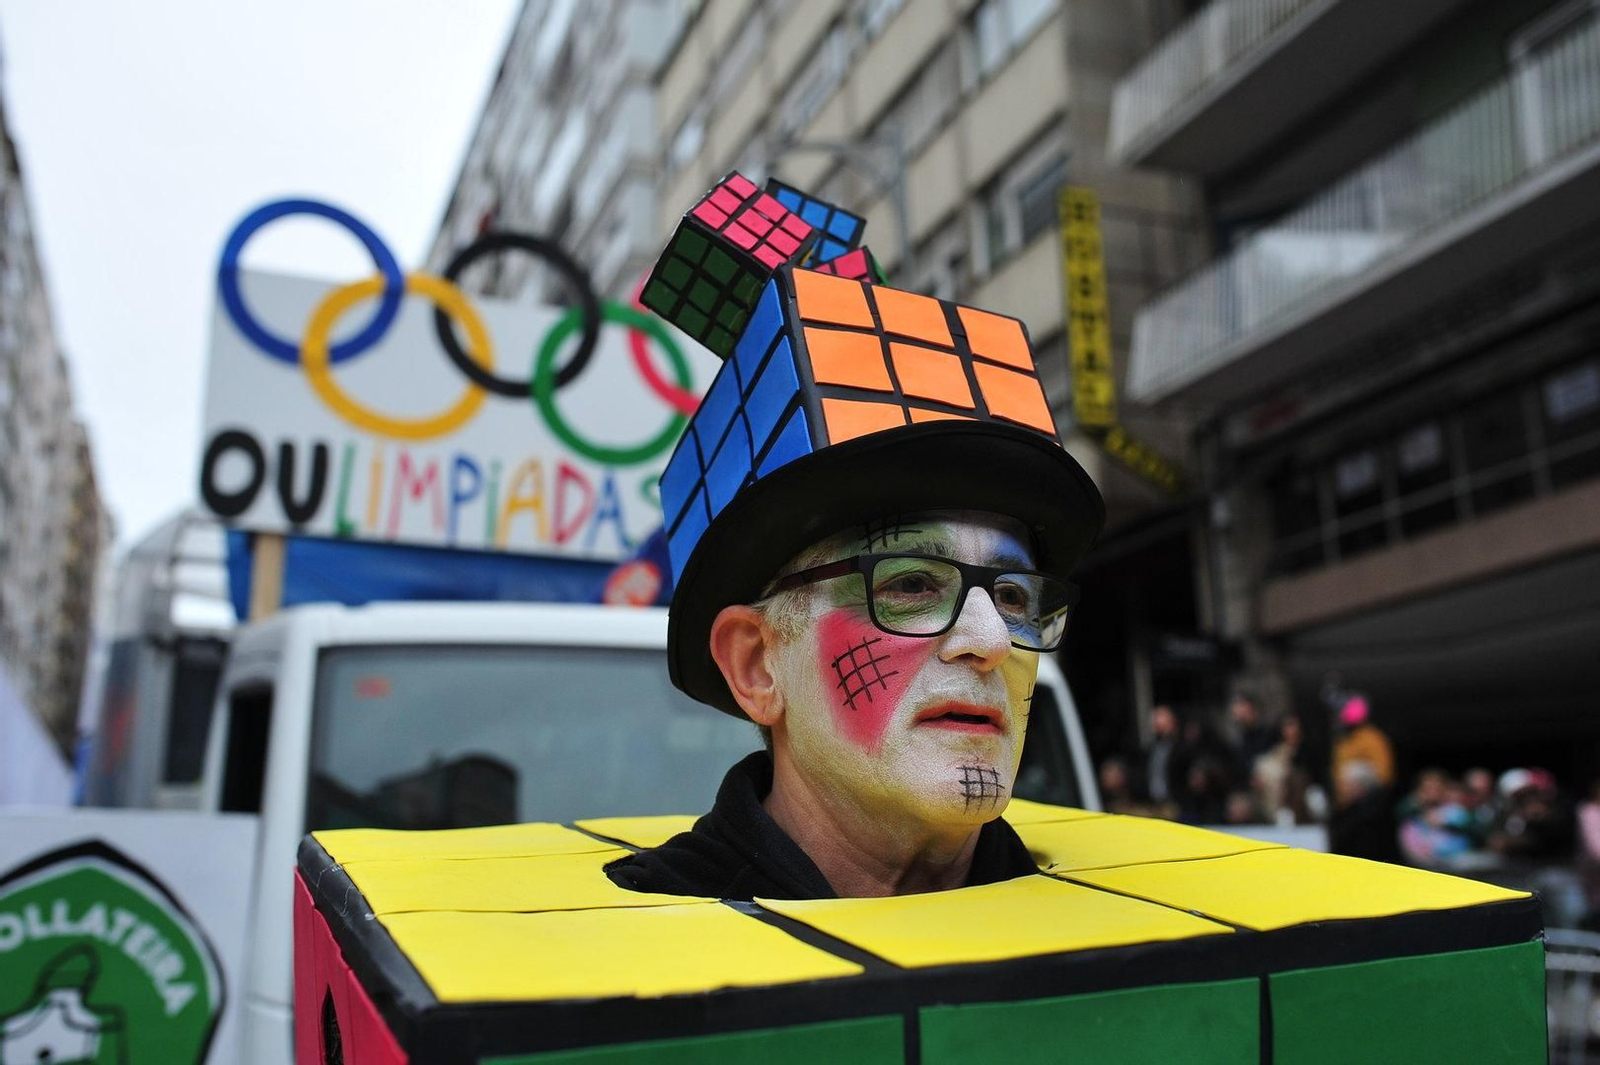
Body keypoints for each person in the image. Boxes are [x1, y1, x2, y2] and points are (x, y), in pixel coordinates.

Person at [608, 192, 1105, 901]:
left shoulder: (1109, 921)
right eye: (909, 584)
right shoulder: (637, 959)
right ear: (756, 665)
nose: (991, 639)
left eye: (1014, 594)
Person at [1331, 693, 1394, 790]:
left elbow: (1384, 774)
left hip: (1370, 793)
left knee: (1352, 769)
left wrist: (1361, 787)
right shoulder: (1342, 742)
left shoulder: (1372, 737)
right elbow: (1337, 772)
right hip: (1347, 796)